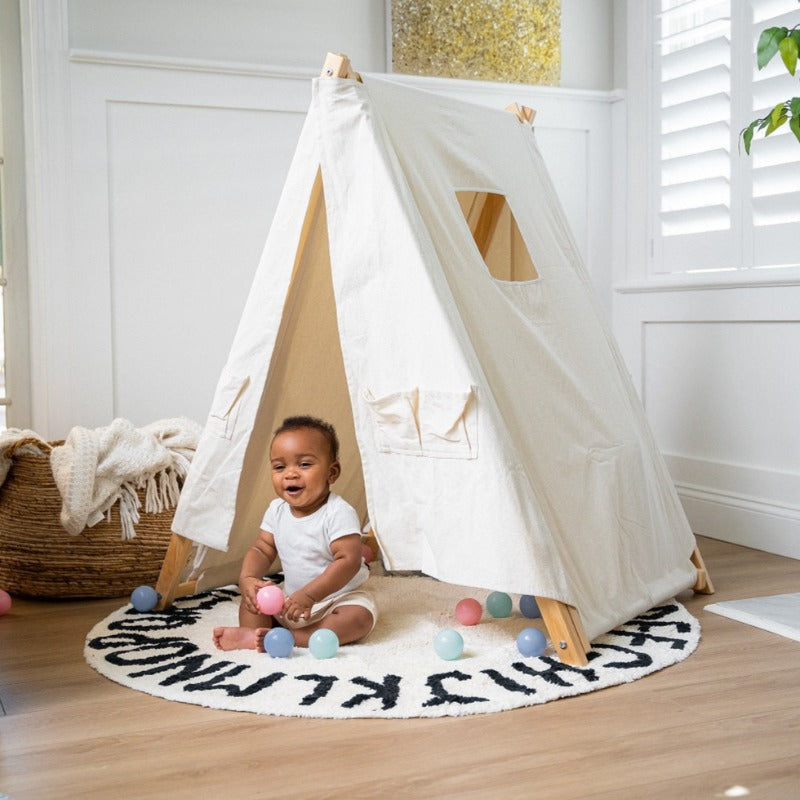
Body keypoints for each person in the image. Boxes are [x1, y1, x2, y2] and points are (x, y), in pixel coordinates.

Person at [213, 415, 376, 651]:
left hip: (335, 600)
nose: (290, 474)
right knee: (254, 600)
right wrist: (247, 579)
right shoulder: (276, 510)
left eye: (304, 464)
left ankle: (288, 639)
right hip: (291, 602)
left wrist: (310, 596)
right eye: (280, 467)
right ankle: (253, 635)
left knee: (359, 618)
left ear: (332, 472)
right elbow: (262, 548)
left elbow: (348, 561)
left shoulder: (338, 512)